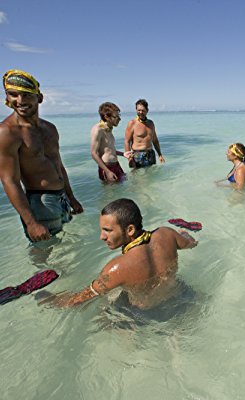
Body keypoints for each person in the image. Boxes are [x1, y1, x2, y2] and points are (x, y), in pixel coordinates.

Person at [42, 198, 198, 308]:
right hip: (180, 295)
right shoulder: (167, 233)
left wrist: (49, 300)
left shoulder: (116, 268)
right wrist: (183, 231)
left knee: (105, 315)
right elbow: (191, 243)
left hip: (150, 313)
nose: (102, 237)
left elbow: (78, 300)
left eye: (108, 230)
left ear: (130, 229)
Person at [0, 69, 83, 242]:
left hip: (62, 199)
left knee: (63, 250)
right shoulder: (7, 132)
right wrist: (31, 223)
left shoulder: (50, 128)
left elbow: (59, 165)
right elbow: (9, 180)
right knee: (43, 254)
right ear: (7, 98)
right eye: (13, 95)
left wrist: (71, 197)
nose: (20, 101)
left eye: (26, 95)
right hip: (39, 203)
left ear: (39, 98)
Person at [90, 102, 126, 183]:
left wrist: (123, 154)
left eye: (119, 116)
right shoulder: (97, 129)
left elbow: (108, 150)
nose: (119, 119)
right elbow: (93, 153)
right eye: (116, 116)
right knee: (111, 195)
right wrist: (107, 171)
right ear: (106, 117)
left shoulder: (109, 129)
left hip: (116, 165)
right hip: (107, 168)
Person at [124, 99, 165, 168]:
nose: (140, 112)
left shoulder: (151, 123)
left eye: (143, 110)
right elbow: (127, 141)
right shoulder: (132, 123)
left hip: (150, 154)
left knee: (152, 176)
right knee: (138, 177)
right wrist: (130, 159)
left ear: (147, 110)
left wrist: (160, 155)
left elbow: (155, 140)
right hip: (137, 155)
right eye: (138, 110)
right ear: (136, 110)